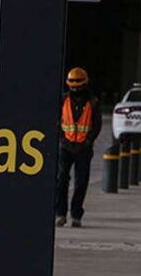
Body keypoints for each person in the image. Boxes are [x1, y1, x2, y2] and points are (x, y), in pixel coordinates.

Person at [55, 67, 101, 228]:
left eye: (78, 82)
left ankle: (76, 215)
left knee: (81, 182)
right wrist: (61, 138)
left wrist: (88, 141)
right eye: (72, 82)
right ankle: (60, 214)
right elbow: (57, 121)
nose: (75, 86)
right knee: (61, 180)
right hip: (65, 147)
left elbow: (96, 125)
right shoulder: (63, 100)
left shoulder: (93, 102)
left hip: (83, 148)